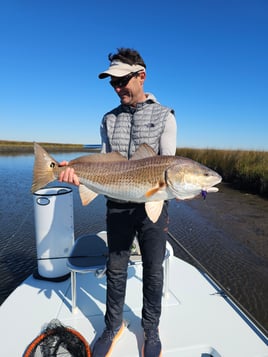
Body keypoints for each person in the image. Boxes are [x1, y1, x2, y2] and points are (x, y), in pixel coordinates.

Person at [60, 48, 177, 357]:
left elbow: (169, 164)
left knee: (153, 270)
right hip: (117, 203)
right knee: (115, 267)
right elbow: (102, 160)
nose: (116, 88)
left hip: (154, 202)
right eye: (111, 83)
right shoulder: (108, 118)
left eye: (122, 80)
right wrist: (76, 174)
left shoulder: (165, 115)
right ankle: (113, 325)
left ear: (141, 76)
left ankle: (150, 327)